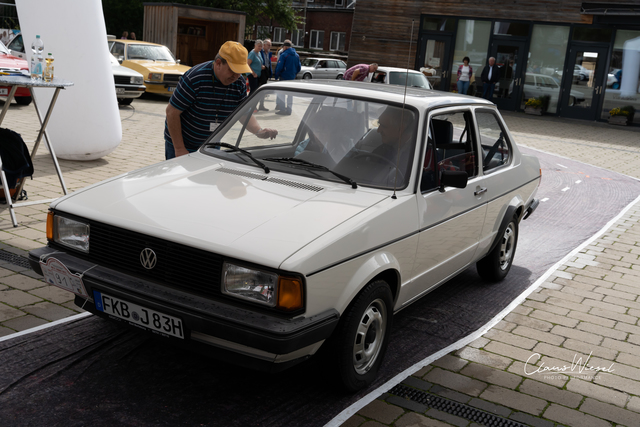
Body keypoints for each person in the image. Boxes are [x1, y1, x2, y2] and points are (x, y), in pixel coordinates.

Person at [164, 41, 277, 159]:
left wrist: (259, 131)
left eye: (240, 72)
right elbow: (172, 113)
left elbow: (244, 114)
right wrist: (179, 149)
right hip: (183, 144)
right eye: (233, 70)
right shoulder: (195, 78)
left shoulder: (239, 83)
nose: (236, 76)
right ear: (218, 63)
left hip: (211, 145)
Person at [274, 40, 301, 115]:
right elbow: (299, 67)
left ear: (285, 47)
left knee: (282, 94)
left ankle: (282, 110)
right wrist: (294, 73)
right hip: (292, 77)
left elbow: (279, 66)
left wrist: (276, 75)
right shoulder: (296, 55)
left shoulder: (284, 55)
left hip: (284, 77)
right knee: (290, 94)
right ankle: (289, 111)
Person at [257, 38, 273, 111]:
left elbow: (269, 62)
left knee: (264, 90)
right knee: (258, 90)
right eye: (268, 45)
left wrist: (270, 72)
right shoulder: (260, 52)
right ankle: (254, 106)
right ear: (264, 45)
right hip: (260, 72)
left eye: (270, 45)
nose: (269, 46)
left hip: (266, 72)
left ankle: (261, 105)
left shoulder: (269, 53)